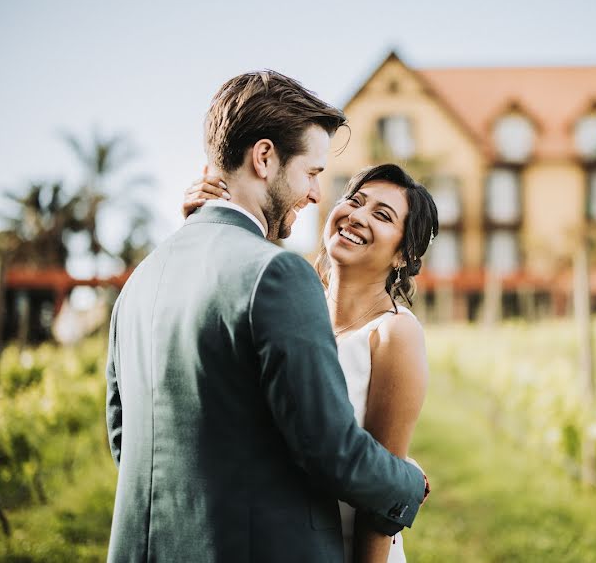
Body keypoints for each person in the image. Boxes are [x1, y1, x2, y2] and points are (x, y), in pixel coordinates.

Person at [105, 70, 429, 563]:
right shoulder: (278, 278)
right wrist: (406, 480)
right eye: (313, 173)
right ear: (264, 158)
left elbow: (125, 438)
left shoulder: (142, 279)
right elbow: (329, 449)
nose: (318, 195)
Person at [183, 163, 438, 562]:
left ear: (404, 254)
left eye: (382, 215)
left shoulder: (394, 334)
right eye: (354, 201)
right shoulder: (289, 307)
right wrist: (206, 227)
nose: (357, 216)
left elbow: (379, 492)